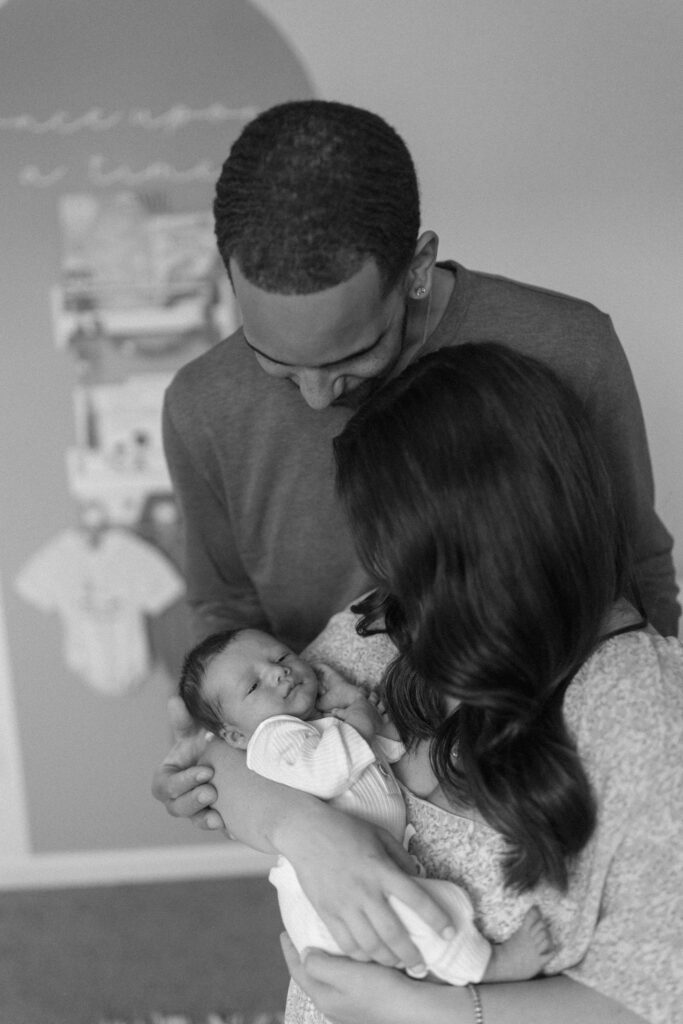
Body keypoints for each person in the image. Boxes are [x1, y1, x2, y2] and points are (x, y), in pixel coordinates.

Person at [154, 96, 677, 835]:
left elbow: (634, 564)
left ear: (419, 269)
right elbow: (225, 617)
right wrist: (242, 785)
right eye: (274, 362)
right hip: (343, 792)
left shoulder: (566, 347)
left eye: (353, 354)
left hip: (545, 771)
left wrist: (657, 742)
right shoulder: (202, 403)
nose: (316, 398)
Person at [204, 344, 680, 1024]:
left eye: (406, 556)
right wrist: (308, 833)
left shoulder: (640, 710)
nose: (388, 576)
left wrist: (420, 1007)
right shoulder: (392, 625)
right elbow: (221, 754)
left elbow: (654, 991)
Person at [178, 626, 554, 988]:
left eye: (281, 657)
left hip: (362, 866)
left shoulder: (321, 725)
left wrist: (356, 705)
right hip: (322, 891)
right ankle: (488, 966)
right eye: (253, 685)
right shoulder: (272, 740)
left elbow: (390, 753)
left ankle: (434, 972)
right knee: (426, 913)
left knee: (432, 909)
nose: (278, 673)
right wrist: (359, 714)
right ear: (235, 736)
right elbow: (327, 772)